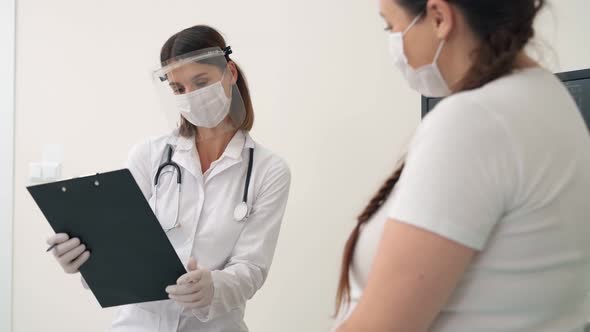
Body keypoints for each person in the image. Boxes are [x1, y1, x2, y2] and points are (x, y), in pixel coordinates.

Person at [334, 0, 590, 331]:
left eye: (390, 26)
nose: (394, 42)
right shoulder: (547, 98)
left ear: (439, 17)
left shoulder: (476, 120)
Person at [46, 25, 291, 332]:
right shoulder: (149, 155)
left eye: (200, 82)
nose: (191, 97)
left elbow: (252, 268)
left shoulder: (269, 170)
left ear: (230, 72)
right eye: (178, 89)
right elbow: (117, 241)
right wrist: (86, 260)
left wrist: (214, 287)